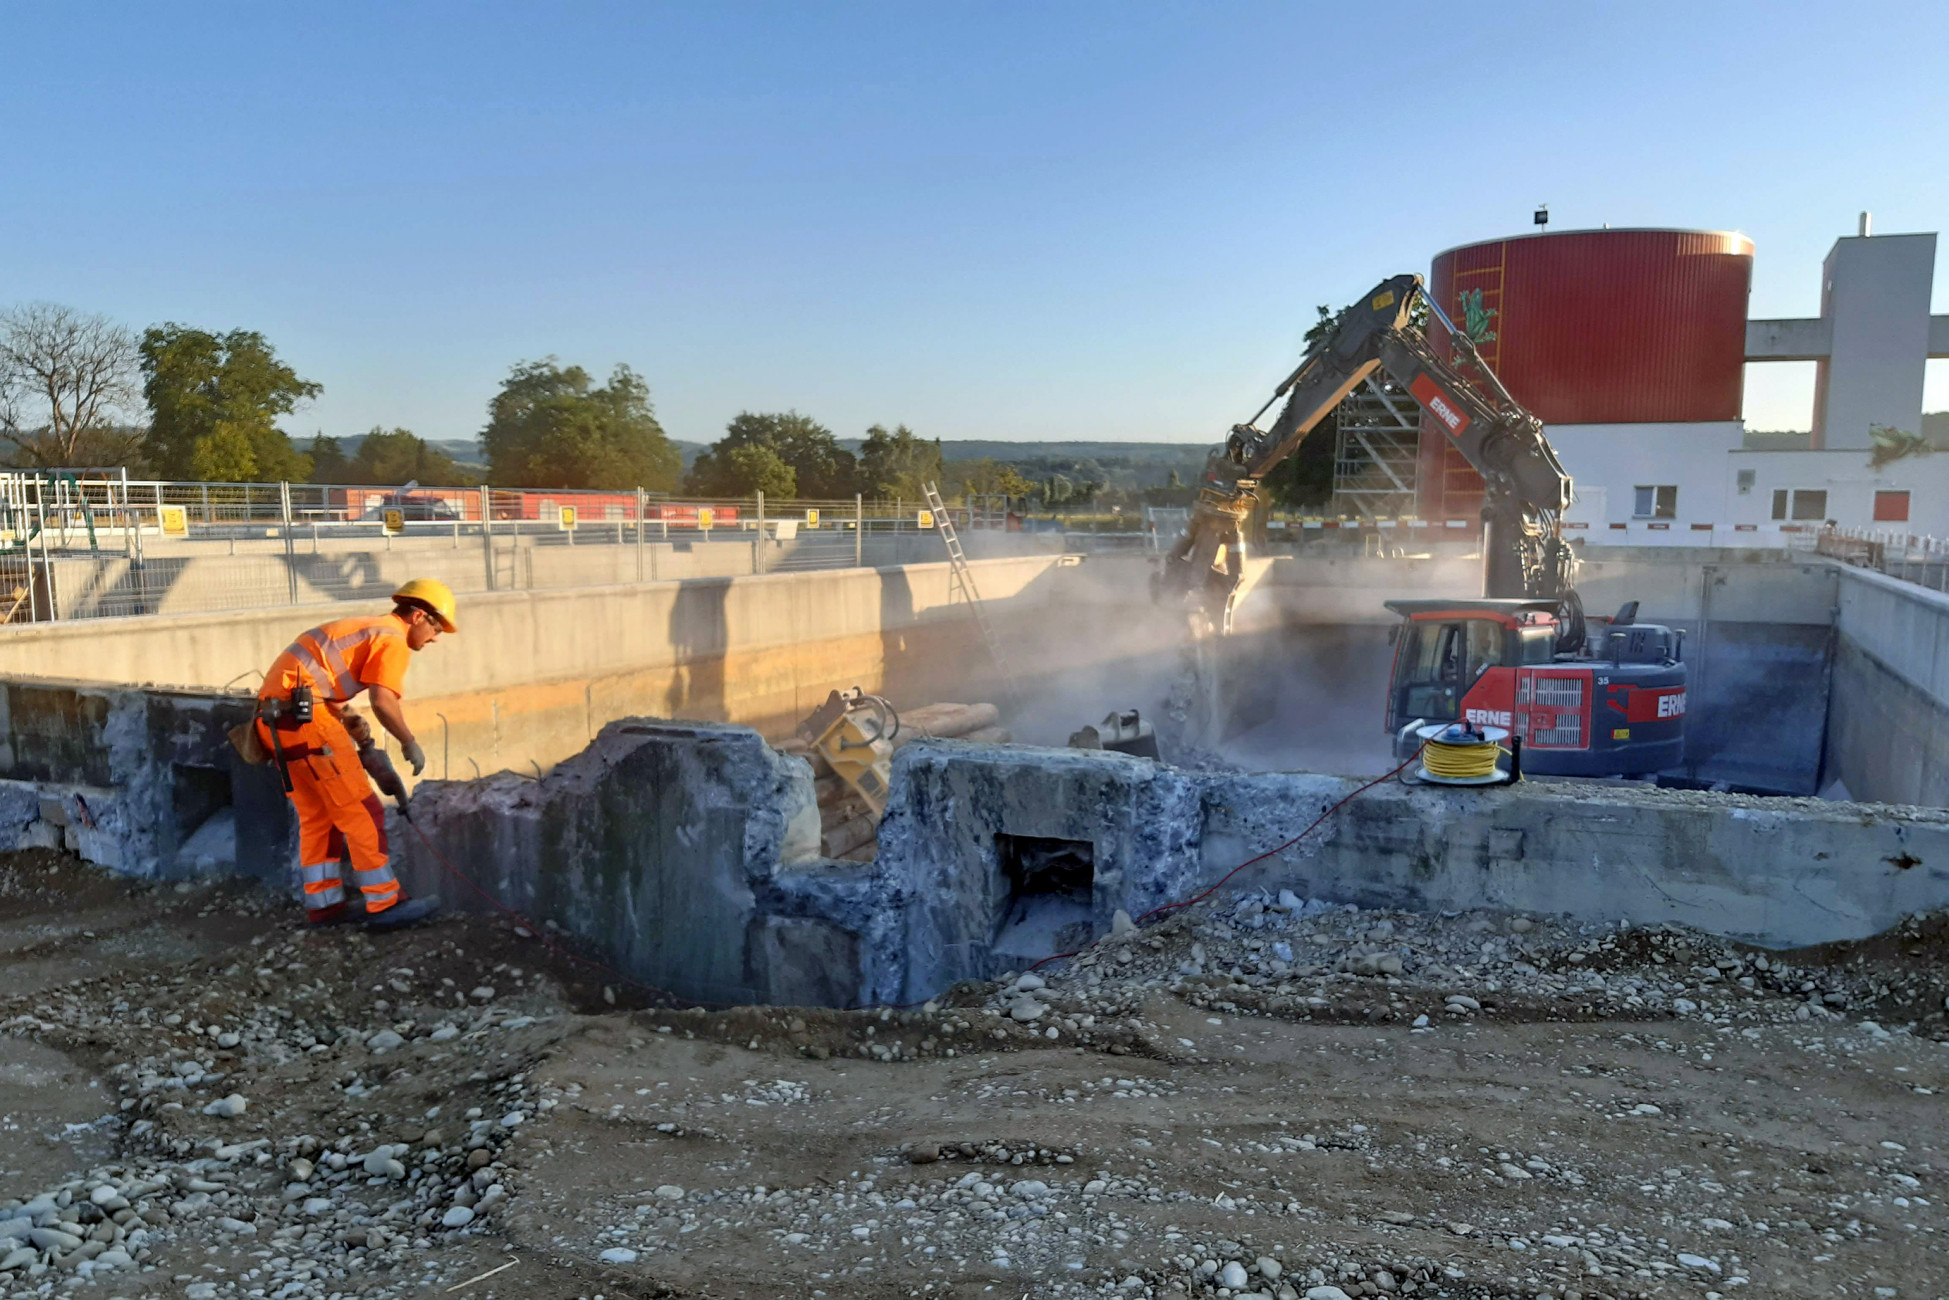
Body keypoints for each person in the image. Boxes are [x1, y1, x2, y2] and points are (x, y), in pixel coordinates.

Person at [255, 579, 456, 929]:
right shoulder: (392, 639)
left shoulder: (364, 629)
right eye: (436, 627)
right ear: (418, 616)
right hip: (309, 724)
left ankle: (324, 907)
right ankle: (385, 903)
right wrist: (408, 742)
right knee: (364, 812)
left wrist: (356, 731)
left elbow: (320, 688)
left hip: (273, 724)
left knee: (318, 819)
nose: (435, 638)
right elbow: (383, 701)